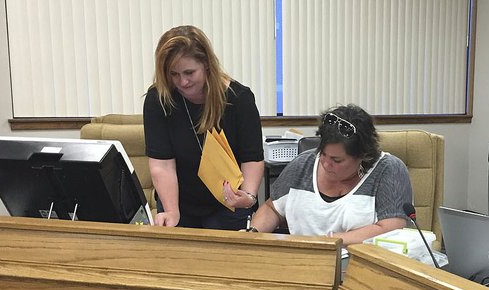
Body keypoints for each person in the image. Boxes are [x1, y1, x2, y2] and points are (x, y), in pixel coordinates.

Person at [143, 25, 264, 229]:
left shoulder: (239, 99)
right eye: (174, 74)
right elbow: (162, 164)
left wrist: (249, 196)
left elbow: (251, 157)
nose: (183, 81)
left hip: (229, 203)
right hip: (179, 201)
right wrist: (172, 211)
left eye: (189, 72)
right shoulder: (159, 100)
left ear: (207, 64)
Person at [248, 104, 413, 245]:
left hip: (361, 269)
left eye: (337, 160)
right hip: (304, 265)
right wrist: (252, 234)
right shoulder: (304, 163)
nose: (326, 164)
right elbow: (272, 208)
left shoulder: (388, 170)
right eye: (323, 154)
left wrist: (330, 241)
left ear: (363, 155)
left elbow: (391, 228)